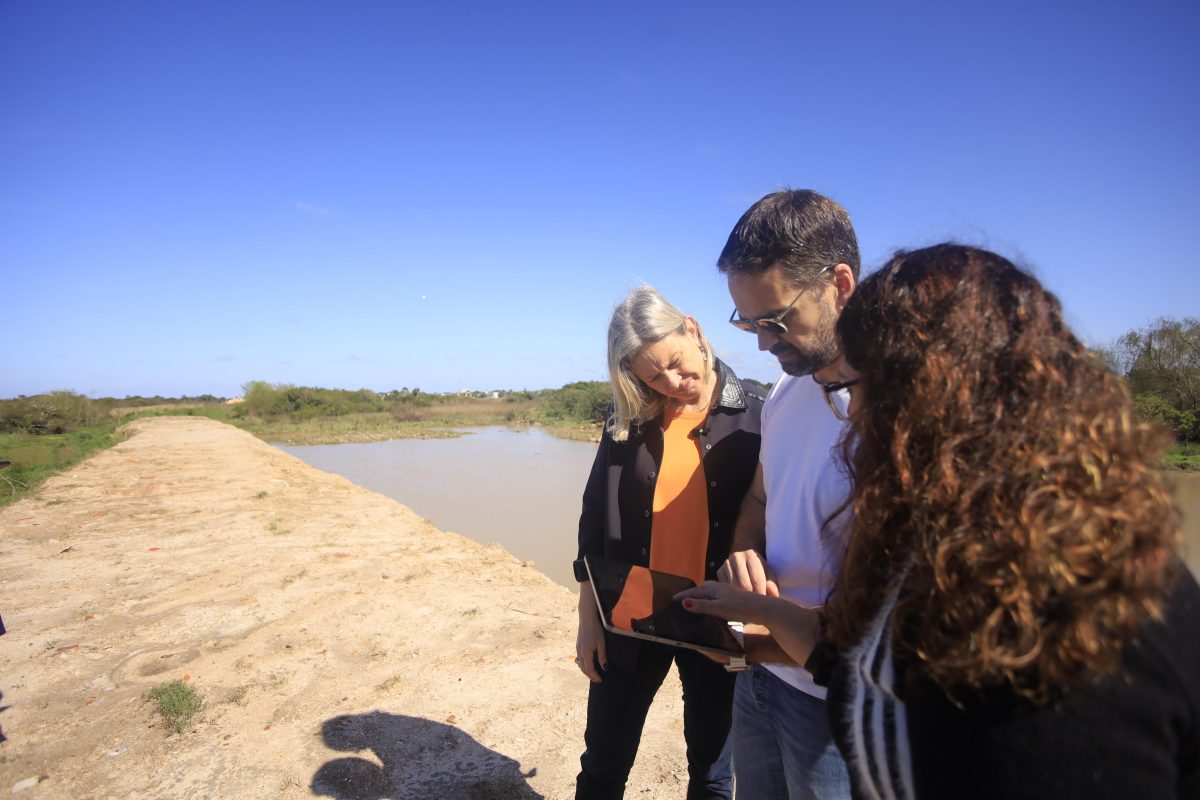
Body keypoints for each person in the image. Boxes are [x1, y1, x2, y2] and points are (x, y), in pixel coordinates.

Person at [679, 244, 1200, 798]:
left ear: (940, 401)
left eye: (857, 388)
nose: (851, 413)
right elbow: (859, 653)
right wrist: (757, 615)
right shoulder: (954, 542)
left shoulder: (1075, 633)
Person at [572, 285, 765, 800]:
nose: (672, 383)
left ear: (695, 331)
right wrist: (589, 619)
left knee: (712, 772)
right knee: (603, 763)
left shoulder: (761, 417)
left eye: (675, 363)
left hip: (718, 621)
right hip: (632, 614)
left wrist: (760, 626)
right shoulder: (627, 421)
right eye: (651, 375)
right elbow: (594, 523)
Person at [716, 189, 859, 798]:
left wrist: (769, 630)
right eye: (746, 323)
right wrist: (743, 553)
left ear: (840, 285)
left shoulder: (903, 417)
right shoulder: (785, 390)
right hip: (760, 680)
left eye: (773, 320)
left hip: (837, 706)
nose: (760, 343)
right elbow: (760, 499)